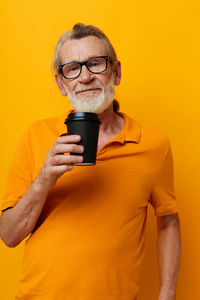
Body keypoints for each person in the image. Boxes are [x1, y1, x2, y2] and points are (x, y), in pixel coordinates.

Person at [0, 23, 181, 300]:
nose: (85, 77)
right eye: (72, 68)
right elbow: (9, 236)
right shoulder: (35, 136)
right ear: (62, 84)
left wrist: (167, 293)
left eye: (95, 64)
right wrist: (45, 178)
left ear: (116, 72)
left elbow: (168, 220)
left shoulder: (153, 145)